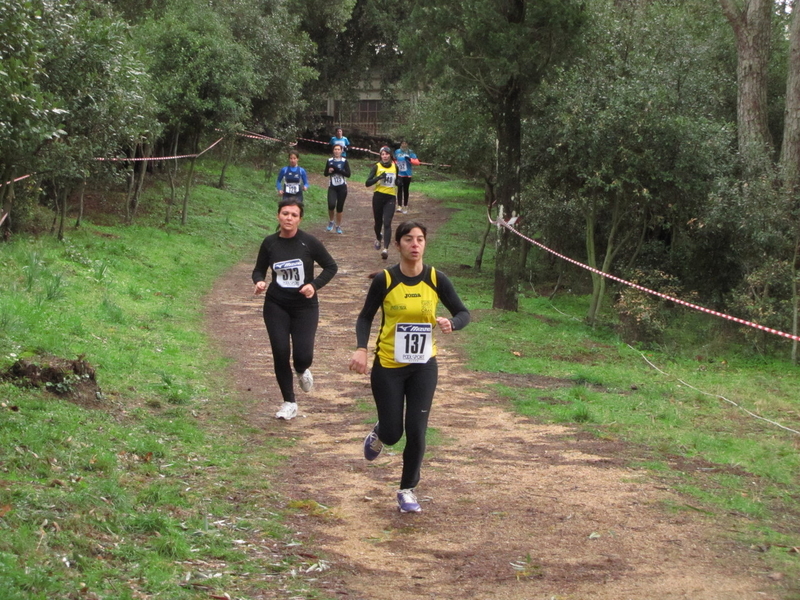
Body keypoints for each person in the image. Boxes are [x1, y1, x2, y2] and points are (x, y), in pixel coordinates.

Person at [348, 221, 470, 513]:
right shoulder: (386, 281)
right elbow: (365, 317)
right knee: (393, 433)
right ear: (399, 245)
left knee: (416, 429)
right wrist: (362, 349)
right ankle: (380, 432)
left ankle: (407, 490)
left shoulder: (436, 279)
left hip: (423, 366)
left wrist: (451, 323)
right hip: (388, 365)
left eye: (420, 240)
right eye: (408, 240)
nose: (415, 245)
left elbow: (463, 312)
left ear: (425, 244)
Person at [252, 198, 338, 420]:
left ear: (300, 219)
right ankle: (289, 402)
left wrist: (313, 285)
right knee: (280, 352)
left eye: (293, 215)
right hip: (276, 304)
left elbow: (331, 266)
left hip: (304, 307)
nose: (288, 218)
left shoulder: (308, 242)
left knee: (303, 355)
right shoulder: (270, 243)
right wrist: (260, 282)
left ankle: (301, 369)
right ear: (278, 216)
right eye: (285, 213)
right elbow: (258, 270)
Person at [365, 146, 398, 260]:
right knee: (378, 222)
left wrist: (399, 182)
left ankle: (385, 249)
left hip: (390, 197)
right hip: (378, 197)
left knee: (387, 222)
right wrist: (378, 178)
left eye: (386, 154)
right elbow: (367, 183)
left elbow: (397, 181)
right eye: (382, 154)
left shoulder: (395, 167)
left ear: (390, 155)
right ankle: (378, 237)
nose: (385, 156)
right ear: (380, 156)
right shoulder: (376, 167)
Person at [323, 143, 351, 234]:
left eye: (338, 149)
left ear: (341, 151)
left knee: (339, 207)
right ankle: (331, 221)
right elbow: (325, 174)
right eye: (335, 149)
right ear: (333, 151)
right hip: (332, 186)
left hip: (342, 187)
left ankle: (338, 226)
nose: (337, 151)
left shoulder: (344, 161)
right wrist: (329, 171)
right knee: (331, 205)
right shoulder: (329, 161)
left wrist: (338, 170)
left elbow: (348, 174)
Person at [394, 140, 418, 214]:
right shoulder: (397, 151)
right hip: (399, 173)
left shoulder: (410, 152)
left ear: (407, 144)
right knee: (399, 189)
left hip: (407, 174)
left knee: (406, 190)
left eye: (405, 143)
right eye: (402, 143)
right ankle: (399, 206)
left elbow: (417, 162)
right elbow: (394, 160)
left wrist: (410, 159)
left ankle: (405, 205)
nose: (404, 145)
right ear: (400, 144)